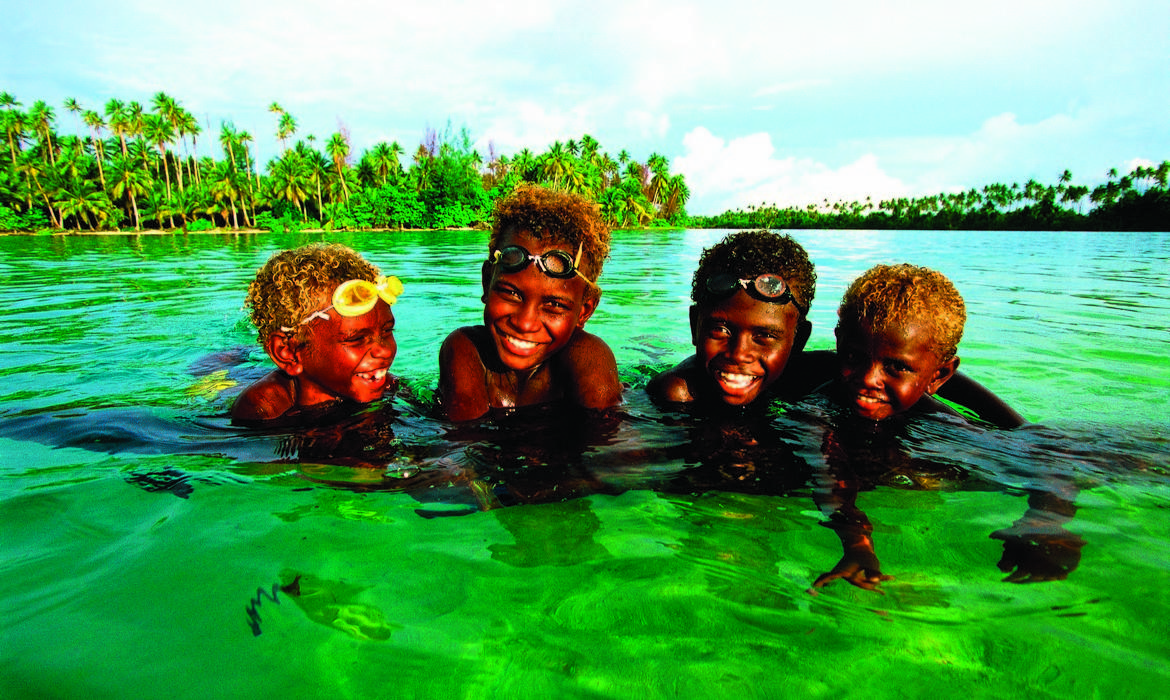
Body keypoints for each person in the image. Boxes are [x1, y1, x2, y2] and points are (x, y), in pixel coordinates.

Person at [438, 185, 621, 421]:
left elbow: (608, 440)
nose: (525, 323)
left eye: (555, 305)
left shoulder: (588, 358)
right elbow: (461, 438)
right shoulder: (466, 348)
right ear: (486, 282)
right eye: (511, 293)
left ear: (584, 311)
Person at [231, 243, 403, 424]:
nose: (385, 351)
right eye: (357, 339)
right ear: (288, 352)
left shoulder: (387, 385)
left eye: (387, 331)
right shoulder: (262, 409)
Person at [646, 230, 817, 408]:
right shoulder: (678, 394)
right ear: (694, 325)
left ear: (798, 340)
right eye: (720, 330)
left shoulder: (818, 377)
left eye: (765, 336)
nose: (738, 354)